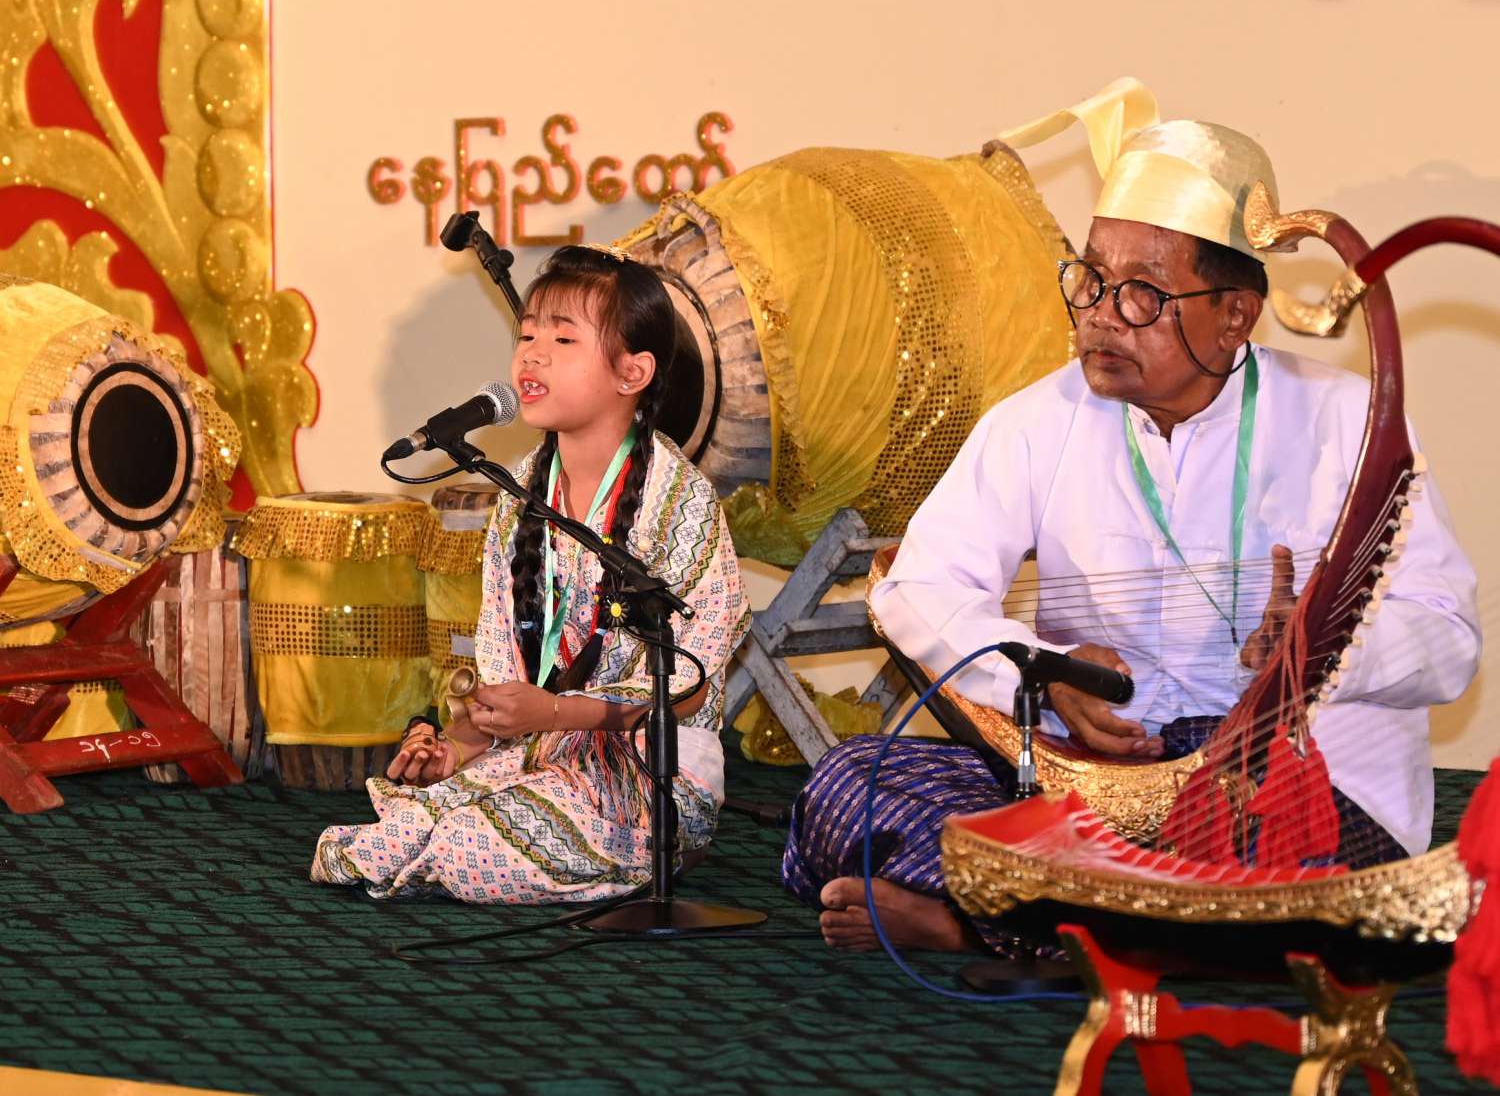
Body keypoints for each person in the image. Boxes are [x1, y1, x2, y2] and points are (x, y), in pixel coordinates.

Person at [782, 80, 1480, 952]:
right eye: (1092, 280)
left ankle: (990, 923)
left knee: (1288, 875)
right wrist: (1041, 674)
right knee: (849, 783)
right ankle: (1091, 930)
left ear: (1235, 316)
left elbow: (1449, 638)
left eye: (1143, 294)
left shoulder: (1348, 423)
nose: (1101, 318)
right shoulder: (1040, 420)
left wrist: (1322, 642)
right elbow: (915, 590)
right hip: (1093, 781)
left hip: (1282, 786)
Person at [312, 245, 748, 901]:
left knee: (462, 845)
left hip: (649, 776)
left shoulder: (682, 501)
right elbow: (509, 678)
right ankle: (483, 834)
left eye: (563, 339)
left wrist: (555, 710)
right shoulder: (521, 492)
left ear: (632, 371)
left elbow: (686, 686)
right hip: (540, 755)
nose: (533, 355)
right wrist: (455, 748)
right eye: (528, 335)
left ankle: (603, 854)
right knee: (370, 840)